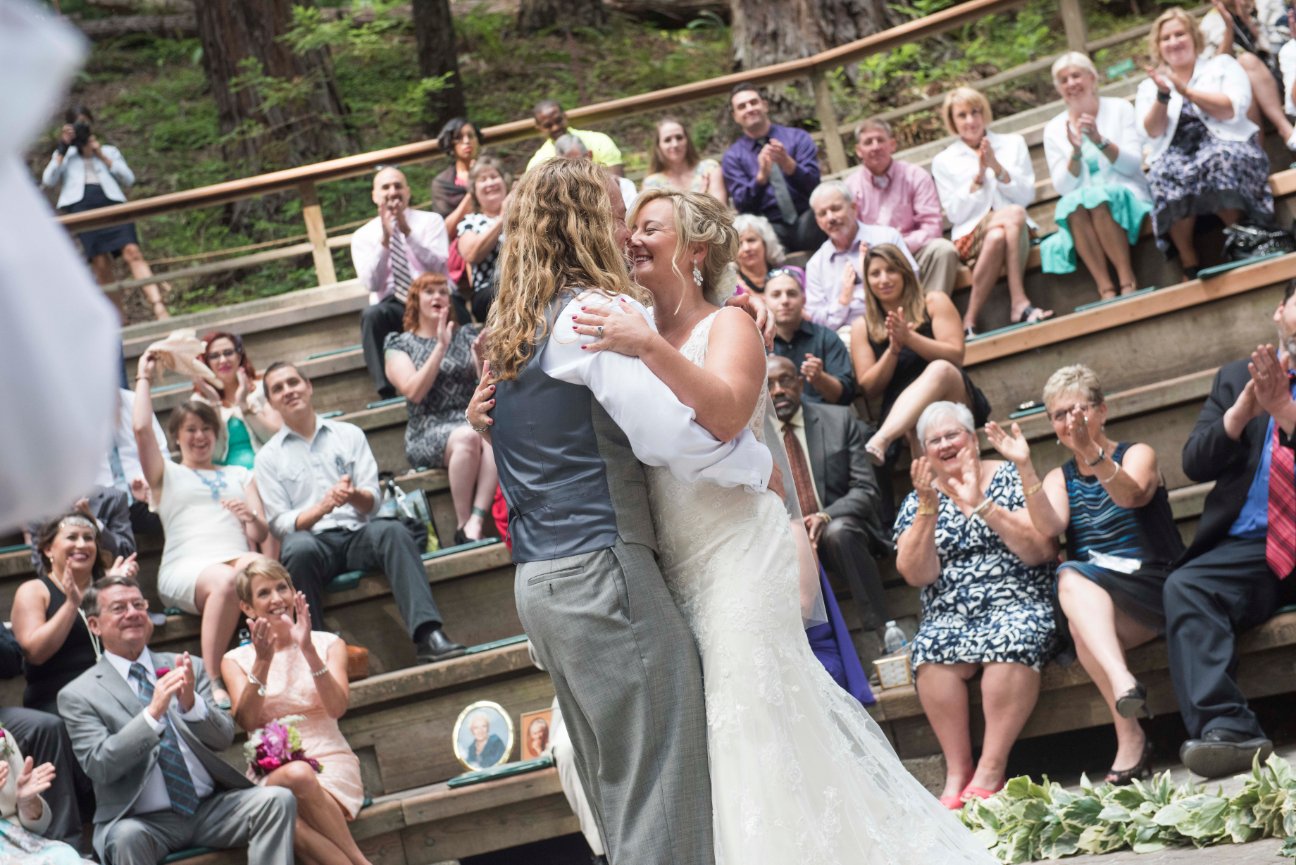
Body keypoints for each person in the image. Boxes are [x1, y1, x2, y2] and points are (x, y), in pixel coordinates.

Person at [565, 186, 998, 861]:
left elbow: (727, 414)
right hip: (674, 559)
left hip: (739, 546)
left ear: (696, 249)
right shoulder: (628, 326)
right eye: (632, 228)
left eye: (650, 227)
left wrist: (649, 346)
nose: (632, 239)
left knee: (748, 712)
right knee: (721, 727)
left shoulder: (729, 324)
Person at [482, 159, 776, 865]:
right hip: (601, 573)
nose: (626, 232)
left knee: (618, 792)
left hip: (539, 582)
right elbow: (669, 437)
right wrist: (754, 467)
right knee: (661, 788)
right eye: (616, 215)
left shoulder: (513, 327)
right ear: (585, 222)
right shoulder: (591, 314)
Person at [985, 365, 1184, 784]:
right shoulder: (1060, 477)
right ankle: (1127, 711)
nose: (1069, 421)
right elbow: (1049, 527)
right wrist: (1024, 466)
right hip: (1100, 601)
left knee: (1074, 590)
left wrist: (1092, 451)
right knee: (1075, 599)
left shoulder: (1137, 454)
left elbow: (1131, 496)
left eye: (1078, 411)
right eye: (1059, 415)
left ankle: (1129, 728)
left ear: (1102, 411)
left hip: (1156, 589)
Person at [59, 576, 297, 865]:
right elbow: (100, 765)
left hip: (209, 808)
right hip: (144, 821)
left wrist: (191, 704)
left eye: (138, 605)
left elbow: (224, 738)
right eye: (119, 608)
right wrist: (152, 715)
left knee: (277, 800)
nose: (133, 613)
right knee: (125, 838)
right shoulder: (79, 694)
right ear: (95, 625)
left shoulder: (187, 665)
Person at [1161, 279, 1296, 778]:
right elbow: (1194, 463)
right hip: (1253, 548)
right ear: (1279, 312)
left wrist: (1285, 411)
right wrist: (1242, 412)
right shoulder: (1235, 378)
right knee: (1187, 585)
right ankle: (1229, 729)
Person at [894, 401, 1059, 809]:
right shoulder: (919, 498)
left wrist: (982, 504)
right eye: (935, 440)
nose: (945, 445)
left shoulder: (1007, 476)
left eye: (952, 434)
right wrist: (928, 509)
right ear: (924, 452)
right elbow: (916, 573)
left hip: (1017, 600)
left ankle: (991, 769)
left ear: (972, 438)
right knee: (929, 651)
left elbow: (1041, 550)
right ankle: (957, 771)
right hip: (949, 613)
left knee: (1010, 641)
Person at [254, 362, 466, 663]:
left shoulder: (348, 435)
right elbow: (280, 524)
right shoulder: (268, 457)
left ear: (308, 386)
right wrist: (322, 508)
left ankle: (428, 635)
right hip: (314, 544)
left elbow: (373, 501)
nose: (288, 391)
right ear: (271, 402)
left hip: (359, 535)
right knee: (297, 548)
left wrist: (352, 495)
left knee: (393, 531)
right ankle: (313, 651)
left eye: (293, 382)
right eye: (278, 389)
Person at [135, 352, 267, 710]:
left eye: (207, 428)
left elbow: (261, 531)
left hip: (236, 558)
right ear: (176, 437)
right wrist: (144, 377)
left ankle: (278, 658)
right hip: (188, 569)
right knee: (226, 580)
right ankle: (212, 677)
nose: (200, 436)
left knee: (262, 569)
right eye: (191, 429)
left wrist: (250, 516)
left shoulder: (239, 475)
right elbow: (142, 430)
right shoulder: (166, 474)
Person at [223, 558, 372, 865]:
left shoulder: (329, 644)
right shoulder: (235, 660)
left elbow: (337, 707)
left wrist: (309, 651)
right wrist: (262, 662)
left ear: (293, 593)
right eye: (264, 593)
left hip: (330, 761)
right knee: (294, 777)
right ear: (247, 608)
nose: (277, 599)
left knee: (287, 821)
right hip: (271, 770)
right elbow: (247, 720)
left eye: (282, 588)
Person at [1136, 7, 1274, 279]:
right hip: (1175, 150)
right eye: (1166, 38)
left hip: (1225, 140)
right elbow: (1151, 132)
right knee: (1164, 173)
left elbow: (1231, 109)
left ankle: (1242, 239)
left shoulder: (1221, 66)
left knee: (1217, 160)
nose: (1174, 42)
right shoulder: (1149, 86)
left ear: (1194, 37)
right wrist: (1163, 96)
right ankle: (1189, 262)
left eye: (1180, 34)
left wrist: (1188, 92)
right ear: (1158, 46)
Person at [765, 354, 891, 645]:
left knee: (840, 532)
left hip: (838, 530)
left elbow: (866, 490)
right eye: (769, 385)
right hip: (784, 538)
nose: (778, 391)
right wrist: (794, 530)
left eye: (785, 381)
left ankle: (882, 633)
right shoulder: (754, 437)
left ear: (800, 383)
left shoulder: (838, 420)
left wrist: (823, 516)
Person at [849, 244, 988, 468]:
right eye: (875, 273)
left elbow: (955, 356)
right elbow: (869, 387)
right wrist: (893, 350)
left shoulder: (934, 301)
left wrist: (909, 338)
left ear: (904, 272)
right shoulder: (862, 326)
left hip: (952, 393)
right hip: (902, 411)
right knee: (922, 419)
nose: (884, 279)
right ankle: (930, 490)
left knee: (940, 368)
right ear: (867, 281)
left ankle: (881, 439)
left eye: (891, 270)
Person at [384, 273, 496, 543]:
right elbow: (414, 391)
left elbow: (485, 385)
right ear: (415, 301)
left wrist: (481, 358)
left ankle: (476, 521)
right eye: (429, 292)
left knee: (494, 434)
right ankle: (462, 523)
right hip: (427, 428)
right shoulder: (399, 344)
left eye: (443, 292)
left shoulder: (466, 334)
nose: (437, 296)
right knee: (468, 436)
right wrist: (440, 347)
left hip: (468, 416)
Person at [932, 87, 1051, 334]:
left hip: (1017, 231)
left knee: (1000, 233)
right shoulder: (944, 161)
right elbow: (955, 214)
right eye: (962, 115)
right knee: (1013, 214)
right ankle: (1019, 302)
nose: (970, 120)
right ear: (952, 121)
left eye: (975, 112)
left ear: (984, 112)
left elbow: (1025, 196)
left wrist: (997, 168)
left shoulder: (1012, 143)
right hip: (971, 236)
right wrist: (977, 179)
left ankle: (969, 320)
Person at [40, 104, 170, 321]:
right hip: (82, 209)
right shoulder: (65, 155)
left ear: (92, 124)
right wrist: (62, 147)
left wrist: (99, 154)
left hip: (112, 203)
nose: (82, 127)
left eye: (85, 123)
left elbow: (128, 179)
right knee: (100, 264)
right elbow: (48, 180)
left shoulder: (108, 151)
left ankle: (159, 308)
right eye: (77, 124)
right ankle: (119, 319)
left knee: (132, 252)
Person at [1041, 53, 1154, 299]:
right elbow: (1063, 187)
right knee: (1072, 204)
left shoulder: (1119, 109)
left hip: (1125, 193)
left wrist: (1099, 140)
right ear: (1059, 89)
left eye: (1076, 76)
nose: (1071, 83)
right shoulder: (1053, 129)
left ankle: (1127, 280)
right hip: (1083, 207)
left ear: (1092, 78)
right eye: (1064, 80)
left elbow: (1132, 165)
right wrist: (1076, 153)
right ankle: (1105, 288)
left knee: (1098, 199)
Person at [13, 512, 140, 715]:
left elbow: (134, 645)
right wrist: (72, 604)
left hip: (115, 692)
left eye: (88, 538)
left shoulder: (107, 585)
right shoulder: (34, 591)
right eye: (72, 537)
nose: (81, 545)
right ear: (48, 549)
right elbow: (35, 654)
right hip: (58, 699)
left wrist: (117, 592)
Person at [351, 166, 449, 398]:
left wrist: (408, 233)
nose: (392, 192)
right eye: (385, 187)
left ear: (408, 191)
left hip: (430, 296)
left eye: (398, 186)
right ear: (375, 196)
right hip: (392, 303)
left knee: (454, 305)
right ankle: (386, 390)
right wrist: (384, 242)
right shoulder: (363, 235)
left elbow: (438, 267)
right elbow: (372, 284)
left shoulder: (431, 221)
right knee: (371, 316)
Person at [845, 118, 962, 295]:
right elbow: (850, 236)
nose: (875, 147)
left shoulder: (915, 176)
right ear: (858, 150)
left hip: (913, 251)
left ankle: (931, 307)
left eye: (880, 140)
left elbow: (931, 226)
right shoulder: (849, 188)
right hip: (873, 260)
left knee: (943, 250)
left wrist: (898, 246)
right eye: (868, 142)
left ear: (892, 145)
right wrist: (878, 254)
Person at [721, 83, 825, 253]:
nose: (749, 109)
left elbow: (815, 186)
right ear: (735, 116)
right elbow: (742, 205)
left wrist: (789, 165)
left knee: (826, 208)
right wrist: (761, 177)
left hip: (807, 216)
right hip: (768, 225)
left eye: (753, 102)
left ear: (765, 105)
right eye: (742, 106)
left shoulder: (797, 137)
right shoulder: (732, 157)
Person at [804, 180, 917, 332]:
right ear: (817, 221)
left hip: (897, 320)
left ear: (854, 207)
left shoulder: (886, 237)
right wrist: (843, 300)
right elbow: (818, 321)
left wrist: (870, 280)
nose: (830, 218)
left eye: (835, 209)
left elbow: (913, 281)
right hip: (846, 334)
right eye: (822, 214)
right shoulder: (815, 265)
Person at [1201, 0, 1296, 148]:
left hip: (1279, 76)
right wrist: (1229, 29)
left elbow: (1280, 47)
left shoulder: (1265, 5)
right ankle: (1279, 133)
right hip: (1242, 91)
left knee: (1247, 61)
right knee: (1244, 66)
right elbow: (1217, 68)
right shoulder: (1209, 25)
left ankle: (1282, 131)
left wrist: (1249, 22)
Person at [766, 268, 856, 405]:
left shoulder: (826, 338)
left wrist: (821, 378)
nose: (784, 300)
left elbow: (845, 397)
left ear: (804, 300)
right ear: (764, 301)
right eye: (776, 295)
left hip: (824, 415)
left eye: (791, 294)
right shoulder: (755, 345)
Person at [193, 331, 282, 470]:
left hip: (269, 470)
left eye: (228, 353)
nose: (223, 360)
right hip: (226, 477)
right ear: (206, 363)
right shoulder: (199, 402)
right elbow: (214, 454)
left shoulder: (262, 389)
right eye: (214, 356)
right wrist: (215, 404)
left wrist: (244, 405)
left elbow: (276, 439)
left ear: (239, 356)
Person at [0, 720, 83, 864]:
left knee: (66, 856)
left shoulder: (3, 736)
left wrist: (27, 802)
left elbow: (37, 827)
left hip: (19, 841)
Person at [456, 155, 511, 324]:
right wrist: (502, 218)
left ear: (505, 182)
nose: (490, 183)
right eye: (483, 180)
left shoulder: (524, 215)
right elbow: (472, 254)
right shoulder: (470, 222)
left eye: (494, 177)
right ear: (474, 190)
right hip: (490, 291)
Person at [642, 117, 726, 204]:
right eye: (667, 140)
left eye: (679, 138)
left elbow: (721, 208)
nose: (675, 144)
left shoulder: (709, 169)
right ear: (658, 146)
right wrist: (700, 202)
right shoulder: (652, 184)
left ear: (687, 140)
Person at [525, 100, 623, 174]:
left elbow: (618, 181)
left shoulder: (599, 141)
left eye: (558, 120)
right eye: (548, 125)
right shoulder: (537, 163)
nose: (555, 127)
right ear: (539, 128)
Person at [556, 135, 637, 212]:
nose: (573, 171)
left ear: (589, 155)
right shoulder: (558, 196)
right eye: (565, 166)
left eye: (578, 163)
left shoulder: (621, 185)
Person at [431, 117, 480, 238]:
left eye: (471, 136)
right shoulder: (442, 183)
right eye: (459, 137)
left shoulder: (492, 172)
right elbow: (444, 230)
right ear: (450, 143)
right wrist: (472, 191)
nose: (467, 141)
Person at [731, 214, 785, 294]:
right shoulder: (730, 288)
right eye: (739, 244)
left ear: (766, 242)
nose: (746, 248)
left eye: (751, 240)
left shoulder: (789, 276)